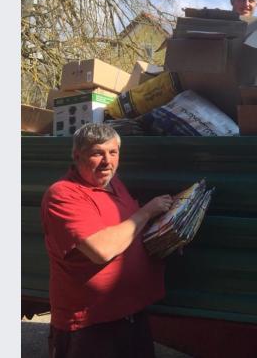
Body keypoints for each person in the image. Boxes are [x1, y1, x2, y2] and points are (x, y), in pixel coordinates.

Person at [41, 123, 174, 358]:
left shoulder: (115, 184)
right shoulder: (63, 194)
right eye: (97, 153)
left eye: (113, 153)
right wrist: (147, 212)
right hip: (90, 325)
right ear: (76, 155)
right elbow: (101, 250)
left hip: (131, 315)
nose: (107, 161)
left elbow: (129, 228)